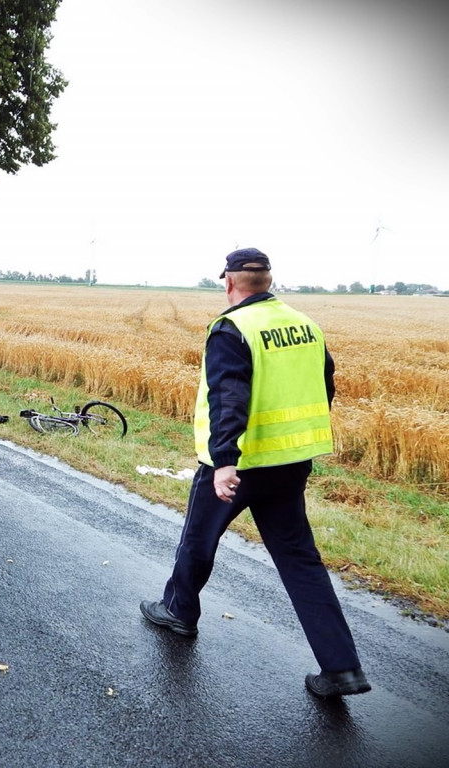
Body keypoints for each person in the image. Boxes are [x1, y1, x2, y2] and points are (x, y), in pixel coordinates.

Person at [139, 247, 370, 698]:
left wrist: (225, 460)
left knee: (198, 539)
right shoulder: (306, 325)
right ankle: (342, 668)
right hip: (288, 463)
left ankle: (179, 612)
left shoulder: (232, 327)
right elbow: (325, 387)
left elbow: (229, 396)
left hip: (239, 465)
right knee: (301, 560)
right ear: (268, 280)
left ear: (228, 282)